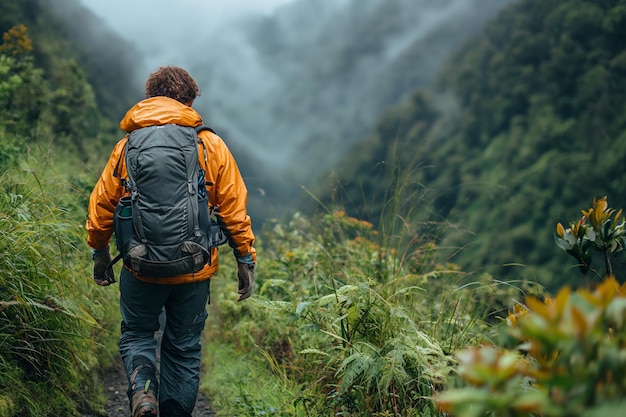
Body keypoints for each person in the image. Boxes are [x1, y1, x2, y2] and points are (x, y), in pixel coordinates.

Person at [86, 66, 256, 417]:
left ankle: (144, 396)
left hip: (139, 264)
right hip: (194, 267)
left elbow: (103, 204)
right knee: (183, 348)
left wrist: (100, 253)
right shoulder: (209, 145)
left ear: (149, 99)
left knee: (137, 334)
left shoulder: (127, 147)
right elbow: (233, 208)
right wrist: (245, 258)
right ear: (190, 100)